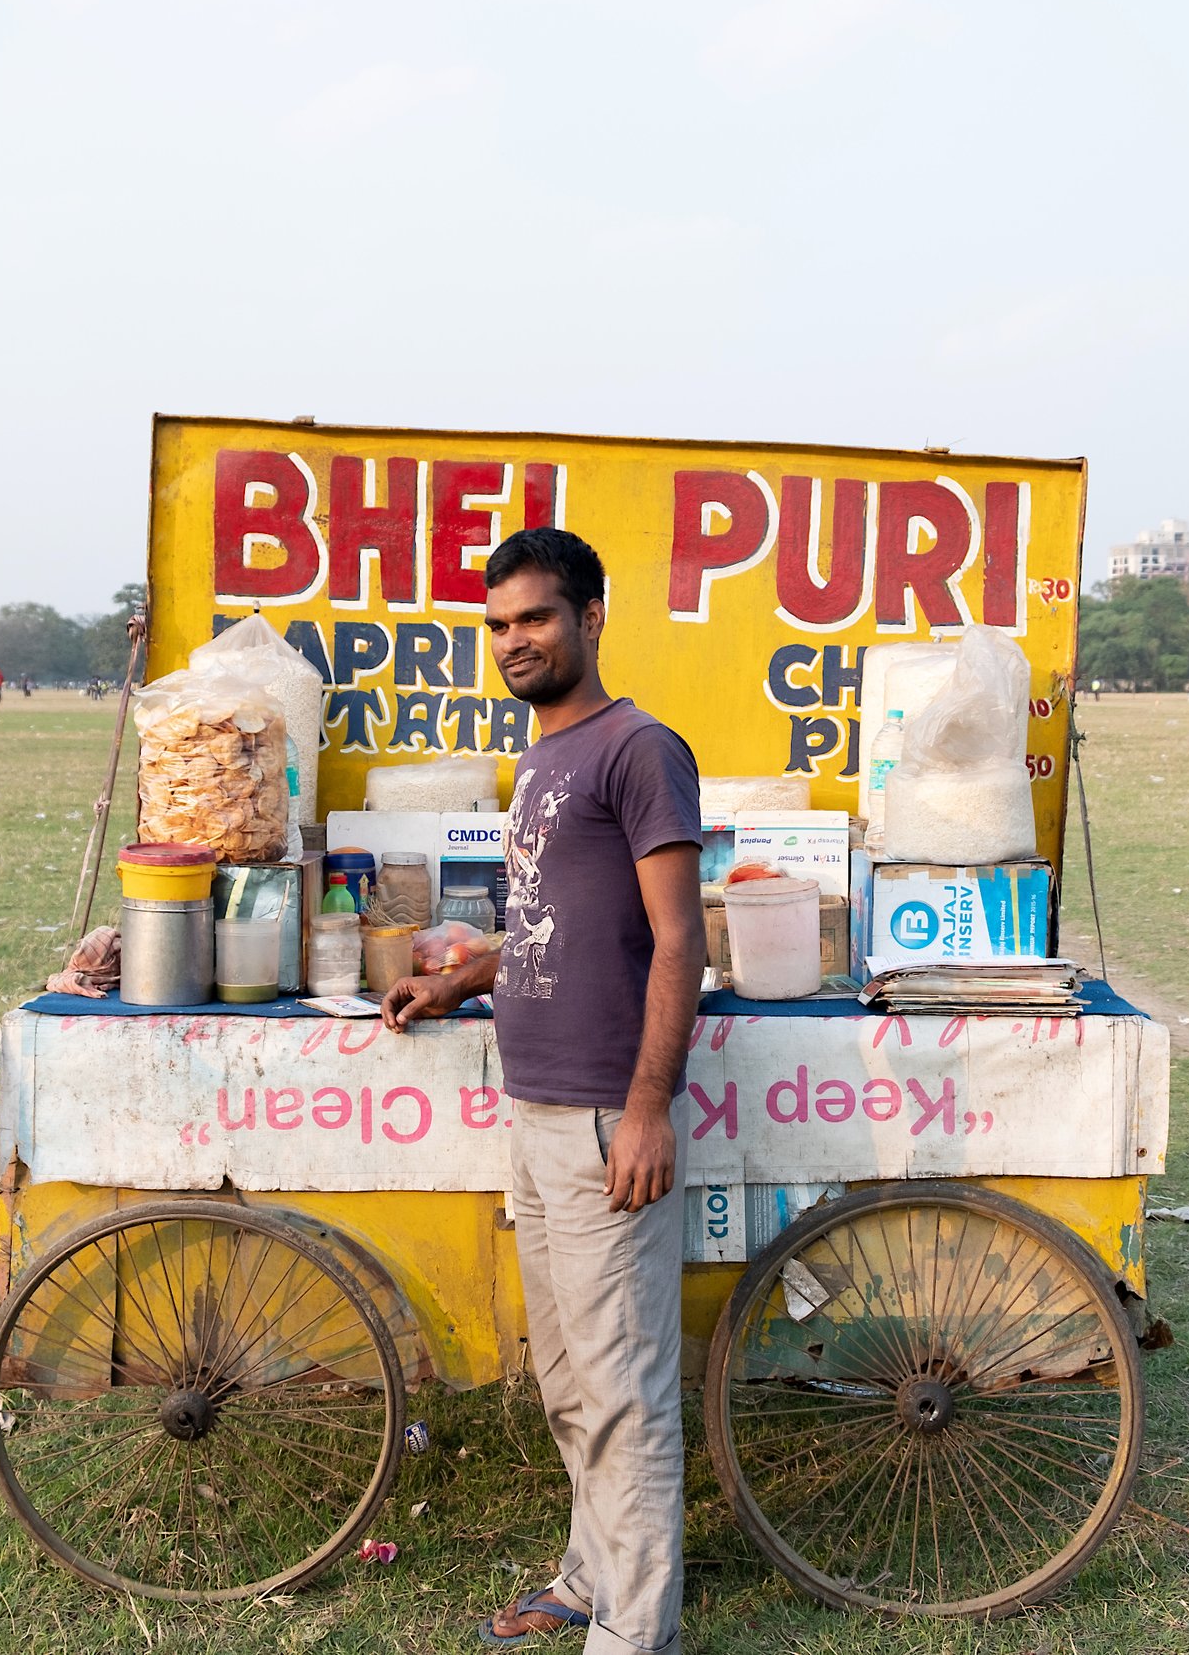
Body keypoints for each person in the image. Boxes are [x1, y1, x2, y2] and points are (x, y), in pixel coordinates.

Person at [381, 528, 703, 1655]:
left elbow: (678, 940)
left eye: (536, 618)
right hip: (537, 1108)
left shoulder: (637, 749)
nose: (515, 640)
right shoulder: (540, 760)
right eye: (499, 625)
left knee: (622, 1393)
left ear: (591, 616)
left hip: (610, 1117)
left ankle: (633, 1634)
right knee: (568, 1380)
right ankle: (588, 1575)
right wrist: (462, 978)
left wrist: (650, 1105)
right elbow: (542, 923)